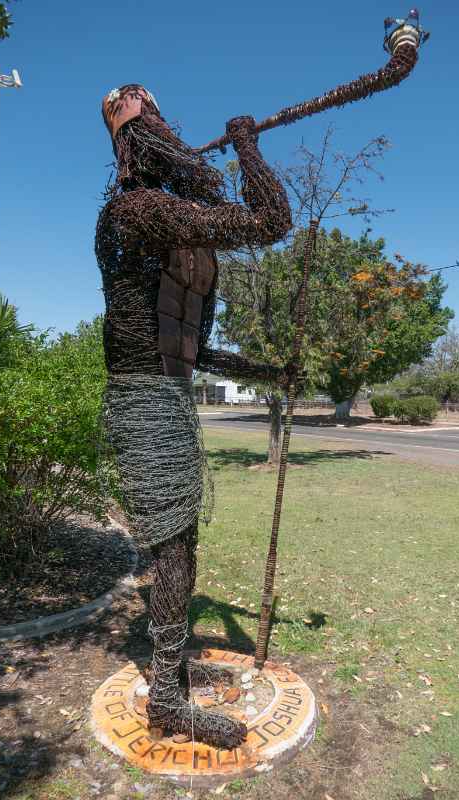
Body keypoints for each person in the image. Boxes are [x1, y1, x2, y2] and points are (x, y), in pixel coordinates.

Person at [96, 84, 291, 748]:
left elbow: (196, 346)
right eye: (144, 123)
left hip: (170, 401)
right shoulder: (135, 213)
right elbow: (270, 218)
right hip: (142, 399)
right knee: (173, 547)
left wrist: (268, 374)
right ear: (139, 143)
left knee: (182, 548)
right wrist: (244, 144)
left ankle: (170, 677)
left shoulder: (181, 242)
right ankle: (168, 704)